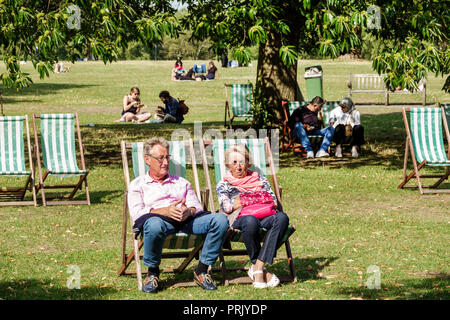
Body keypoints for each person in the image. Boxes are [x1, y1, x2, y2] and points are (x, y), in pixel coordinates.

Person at [128, 137, 229, 293]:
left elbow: (196, 206)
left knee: (220, 219)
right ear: (147, 159)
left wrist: (188, 211)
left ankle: (202, 270)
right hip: (159, 223)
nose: (166, 162)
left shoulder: (181, 182)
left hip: (187, 222)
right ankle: (153, 274)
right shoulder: (138, 185)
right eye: (160, 158)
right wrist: (165, 211)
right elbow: (137, 214)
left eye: (167, 157)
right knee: (153, 225)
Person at [216, 143, 289, 289]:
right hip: (239, 219)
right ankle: (260, 269)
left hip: (264, 216)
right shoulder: (223, 184)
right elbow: (227, 207)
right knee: (250, 221)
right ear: (227, 164)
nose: (238, 166)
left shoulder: (260, 179)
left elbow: (273, 201)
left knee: (282, 218)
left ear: (248, 163)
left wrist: (241, 200)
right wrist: (255, 197)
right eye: (234, 162)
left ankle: (257, 266)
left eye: (242, 162)